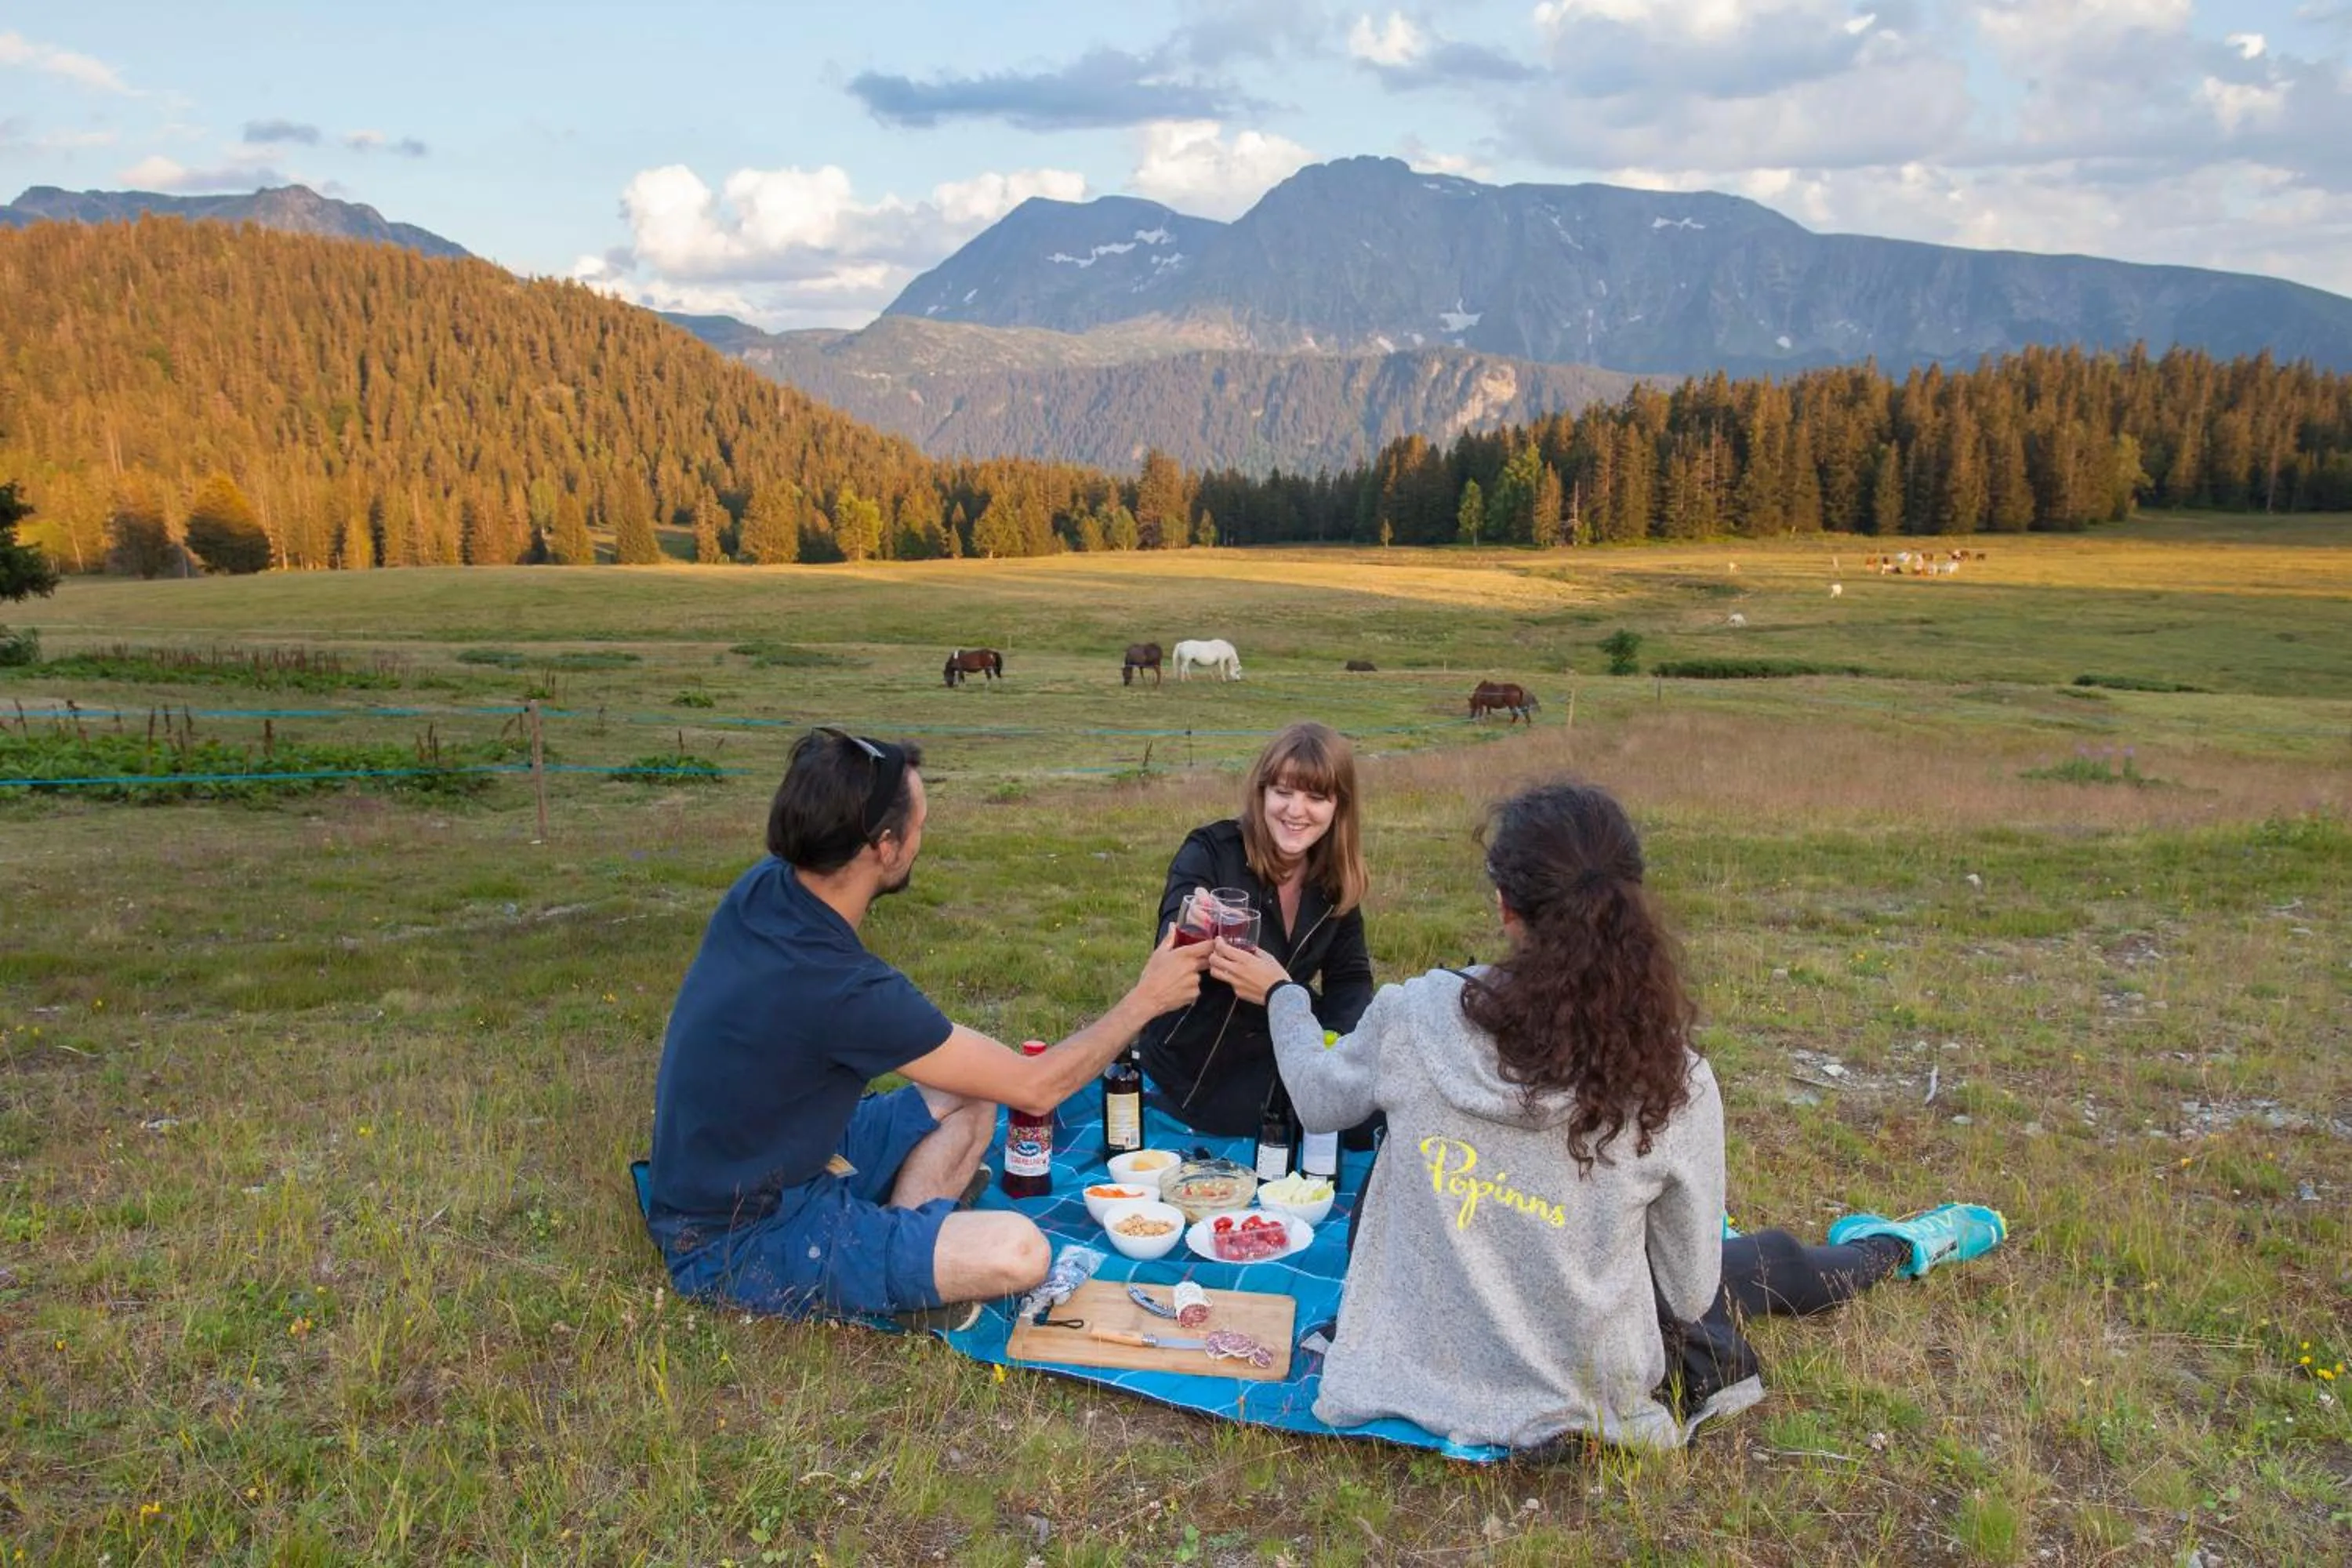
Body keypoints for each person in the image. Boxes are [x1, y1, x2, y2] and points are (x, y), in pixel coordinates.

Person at [1211, 779, 2005, 1451]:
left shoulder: (1415, 1017)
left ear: (1503, 903)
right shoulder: (1675, 1076)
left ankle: (1882, 1245)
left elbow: (1319, 1097)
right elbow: (1692, 1293)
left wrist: (1284, 992)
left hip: (1406, 1360)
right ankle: (1897, 1247)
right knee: (1744, 1263)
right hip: (1582, 1374)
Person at [647, 728, 1210, 1330]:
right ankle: (896, 1266)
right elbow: (1038, 1088)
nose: (922, 838)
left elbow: (993, 1075)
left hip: (780, 1156)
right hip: (736, 1232)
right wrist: (1146, 1001)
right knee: (1019, 1251)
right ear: (884, 847)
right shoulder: (844, 988)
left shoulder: (765, 888)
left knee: (976, 1091)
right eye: (919, 824)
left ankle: (899, 1243)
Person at [1137, 721, 1375, 1135]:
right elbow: (1171, 937)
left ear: (1339, 806)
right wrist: (1191, 928)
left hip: (1277, 1053)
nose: (1295, 810)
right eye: (1283, 792)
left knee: (1375, 1110)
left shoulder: (1335, 880)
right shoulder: (1212, 849)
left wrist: (1333, 1049)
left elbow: (1350, 980)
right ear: (1261, 792)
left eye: (1315, 796)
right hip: (1194, 1063)